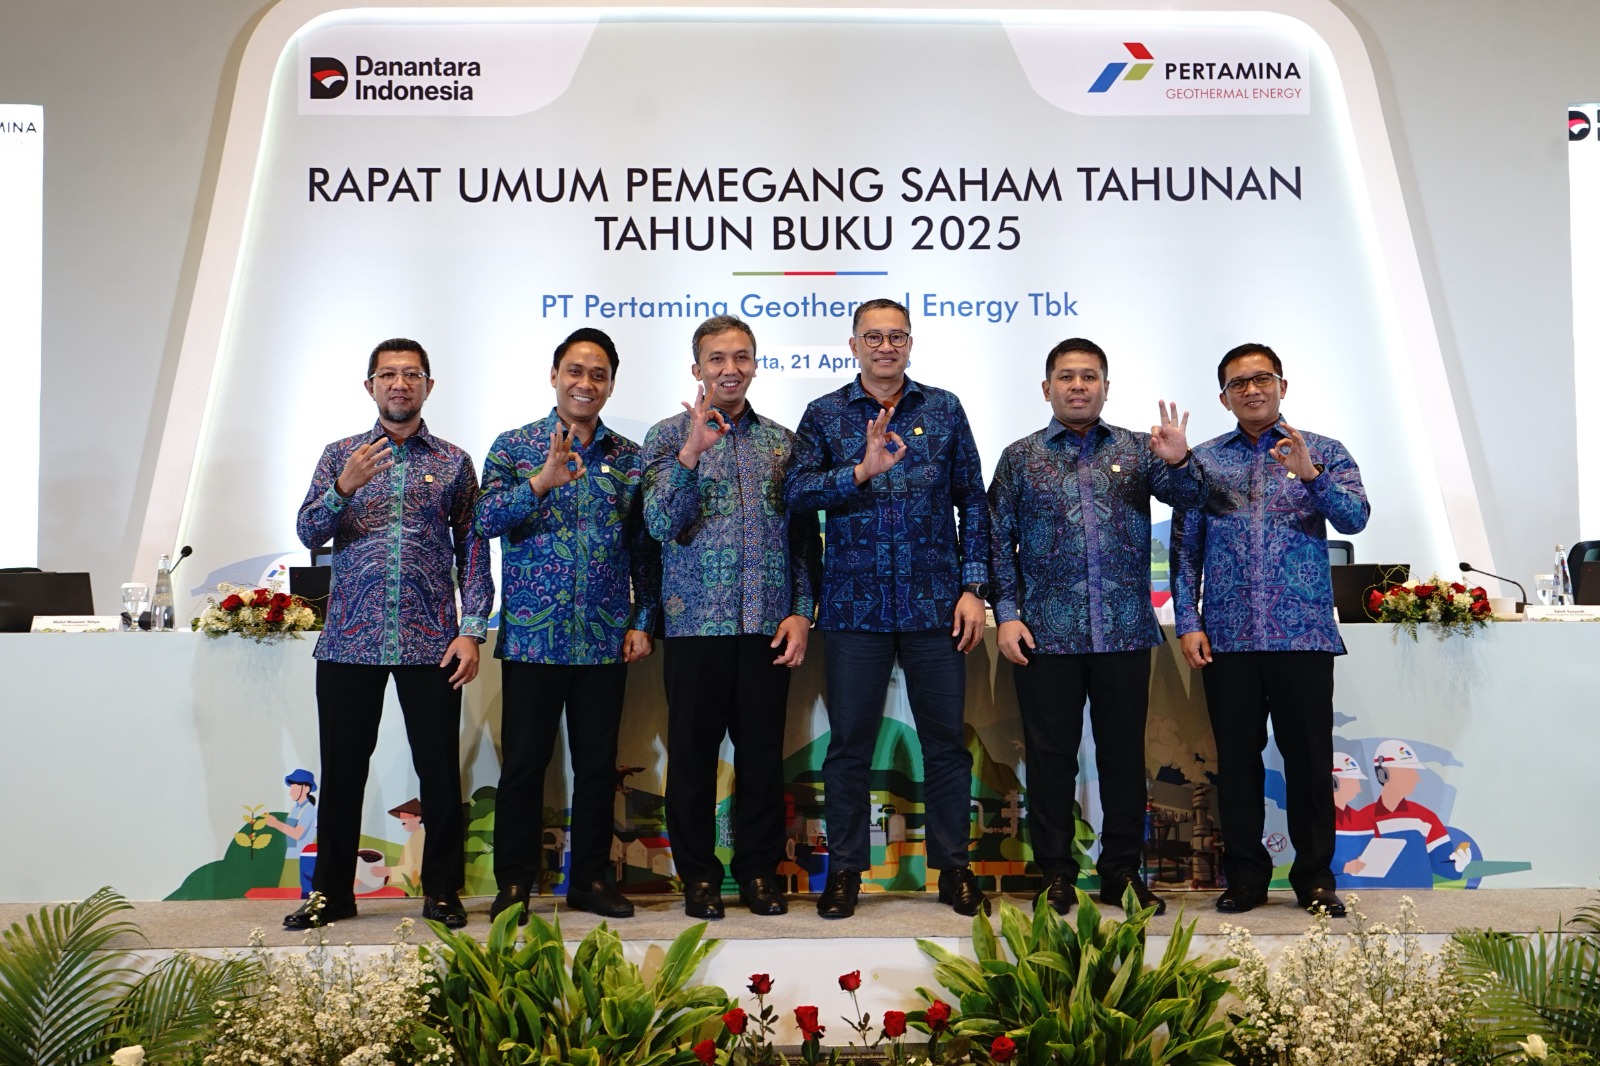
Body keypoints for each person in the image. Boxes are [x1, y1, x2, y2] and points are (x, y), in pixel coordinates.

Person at [785, 298, 991, 919]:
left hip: (936, 606)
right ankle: (846, 872)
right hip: (854, 607)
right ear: (853, 345)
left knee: (945, 745)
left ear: (910, 343)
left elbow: (972, 501)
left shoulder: (944, 408)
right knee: (849, 747)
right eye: (872, 337)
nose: (885, 347)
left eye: (896, 336)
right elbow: (795, 492)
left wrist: (973, 587)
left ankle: (954, 869)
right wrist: (858, 472)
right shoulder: (824, 413)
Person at [988, 337, 1202, 917]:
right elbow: (995, 541)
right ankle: (1056, 873)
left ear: (1106, 387)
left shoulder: (1139, 449)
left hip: (1124, 632)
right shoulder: (1020, 457)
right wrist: (1006, 614)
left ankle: (1121, 872)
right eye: (1066, 376)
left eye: (1089, 376)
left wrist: (1178, 460)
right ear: (1046, 388)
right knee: (1050, 761)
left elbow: (1190, 498)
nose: (1078, 385)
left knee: (1123, 759)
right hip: (1044, 635)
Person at [287, 337, 492, 929]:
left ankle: (443, 892)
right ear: (369, 385)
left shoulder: (454, 461)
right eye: (388, 375)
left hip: (432, 641)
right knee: (342, 769)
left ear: (429, 385)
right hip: (350, 639)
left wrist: (472, 629)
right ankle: (330, 895)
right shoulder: (340, 455)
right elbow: (308, 531)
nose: (399, 384)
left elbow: (474, 550)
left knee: (439, 770)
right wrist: (343, 487)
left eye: (411, 374)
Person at [1173, 342, 1369, 916]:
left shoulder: (1324, 451)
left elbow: (1355, 518)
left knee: (1308, 762)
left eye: (1262, 379)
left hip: (1302, 634)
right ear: (1224, 398)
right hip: (1228, 637)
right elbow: (1185, 551)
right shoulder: (1204, 462)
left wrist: (1311, 476)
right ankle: (1246, 877)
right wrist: (1189, 621)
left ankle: (1314, 879)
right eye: (1239, 383)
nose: (1252, 390)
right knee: (1237, 764)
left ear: (1283, 385)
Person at [476, 327, 660, 922]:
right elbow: (483, 519)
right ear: (554, 376)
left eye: (598, 374)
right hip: (533, 639)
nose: (586, 383)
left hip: (604, 640)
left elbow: (644, 548)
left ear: (611, 384)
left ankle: (591, 880)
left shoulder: (629, 457)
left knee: (598, 769)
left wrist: (643, 618)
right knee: (523, 767)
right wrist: (540, 482)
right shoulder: (514, 447)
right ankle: (514, 884)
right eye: (575, 371)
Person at [642, 315, 821, 920]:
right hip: (695, 625)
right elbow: (659, 525)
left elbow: (803, 539)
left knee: (763, 760)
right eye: (717, 358)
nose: (730, 369)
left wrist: (801, 611)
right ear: (697, 368)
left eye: (741, 357)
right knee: (692, 761)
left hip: (767, 625)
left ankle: (758, 873)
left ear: (755, 365)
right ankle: (698, 877)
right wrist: (692, 454)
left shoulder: (782, 443)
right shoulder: (667, 437)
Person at [263, 769, 318, 898]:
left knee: (301, 894)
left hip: (302, 858)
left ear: (306, 789)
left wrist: (276, 823)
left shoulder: (309, 810)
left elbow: (297, 834)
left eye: (294, 787)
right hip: (291, 856)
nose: (290, 792)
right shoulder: (295, 809)